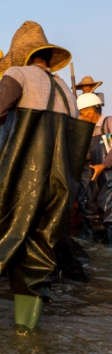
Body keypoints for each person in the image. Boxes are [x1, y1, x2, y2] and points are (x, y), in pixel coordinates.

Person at [0, 21, 92, 330]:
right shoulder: (66, 91)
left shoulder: (17, 74)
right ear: (47, 57)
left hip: (15, 179)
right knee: (36, 262)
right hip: (57, 189)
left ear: (20, 56)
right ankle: (27, 343)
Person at [76, 93, 112, 246]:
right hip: (95, 173)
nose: (81, 117)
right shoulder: (88, 130)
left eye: (82, 113)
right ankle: (97, 240)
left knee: (110, 206)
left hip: (109, 172)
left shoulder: (108, 123)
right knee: (91, 204)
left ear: (92, 110)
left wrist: (104, 165)